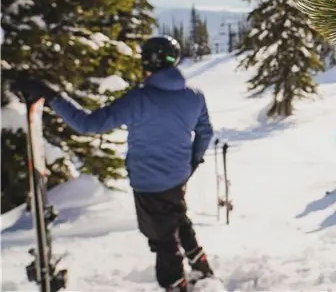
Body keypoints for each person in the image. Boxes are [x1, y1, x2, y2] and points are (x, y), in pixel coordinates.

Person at [12, 36, 214, 292]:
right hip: (178, 176)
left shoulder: (140, 99)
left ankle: (175, 284)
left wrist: (51, 96)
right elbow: (205, 131)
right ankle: (200, 264)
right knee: (176, 215)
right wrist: (193, 161)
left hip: (149, 183)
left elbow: (89, 124)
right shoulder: (194, 95)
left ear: (149, 62)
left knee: (163, 239)